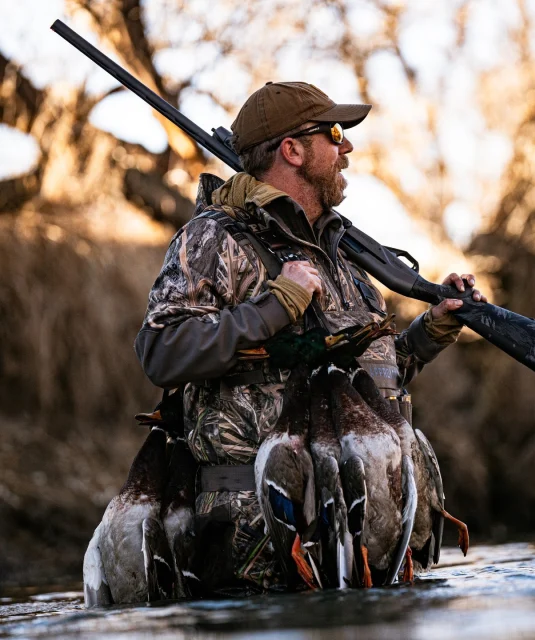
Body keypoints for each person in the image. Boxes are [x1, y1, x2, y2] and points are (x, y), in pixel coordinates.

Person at [134, 81, 486, 594]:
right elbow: (161, 353)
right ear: (292, 151)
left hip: (370, 539)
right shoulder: (214, 239)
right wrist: (275, 306)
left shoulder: (344, 258)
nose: (347, 149)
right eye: (335, 134)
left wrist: (431, 330)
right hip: (259, 550)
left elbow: (365, 382)